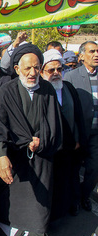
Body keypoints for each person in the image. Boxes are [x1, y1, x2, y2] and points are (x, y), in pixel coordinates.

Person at [0, 43, 62, 236]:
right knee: (11, 208)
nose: (32, 73)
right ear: (17, 69)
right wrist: (1, 156)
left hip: (41, 161)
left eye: (36, 68)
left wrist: (41, 141)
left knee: (39, 215)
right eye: (27, 68)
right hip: (16, 162)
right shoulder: (7, 91)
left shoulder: (47, 89)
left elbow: (55, 125)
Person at [40, 49, 86, 218]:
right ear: (42, 71)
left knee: (68, 179)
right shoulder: (39, 90)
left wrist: (79, 138)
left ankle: (69, 206)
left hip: (69, 146)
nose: (56, 73)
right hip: (48, 149)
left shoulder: (69, 88)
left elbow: (78, 115)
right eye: (51, 70)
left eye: (59, 69)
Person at [64, 41, 98, 212]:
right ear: (82, 56)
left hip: (96, 133)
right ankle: (74, 200)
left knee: (93, 168)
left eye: (97, 51)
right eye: (92, 51)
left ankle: (85, 196)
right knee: (74, 169)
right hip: (77, 132)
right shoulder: (70, 77)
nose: (96, 54)